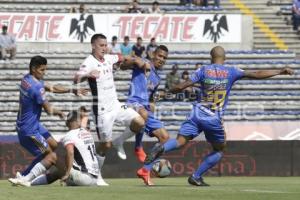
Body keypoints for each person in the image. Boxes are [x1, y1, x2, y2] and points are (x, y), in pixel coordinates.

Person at [142, 46, 294, 186]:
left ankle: (161, 149)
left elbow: (182, 86)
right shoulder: (231, 71)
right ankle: (196, 176)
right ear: (224, 58)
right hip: (213, 117)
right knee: (220, 149)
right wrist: (279, 71)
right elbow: (256, 74)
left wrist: (164, 93)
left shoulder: (203, 70)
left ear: (211, 57)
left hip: (195, 114)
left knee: (180, 141)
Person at [74, 33, 146, 186]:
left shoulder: (108, 58)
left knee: (140, 122)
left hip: (116, 104)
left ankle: (119, 141)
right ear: (93, 45)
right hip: (102, 110)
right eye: (101, 45)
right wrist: (88, 74)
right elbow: (76, 77)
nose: (104, 48)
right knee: (105, 145)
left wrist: (134, 59)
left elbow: (121, 57)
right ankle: (97, 176)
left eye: (106, 45)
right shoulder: (89, 62)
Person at [8, 56, 87, 185]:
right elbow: (49, 109)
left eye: (45, 69)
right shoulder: (36, 88)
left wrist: (72, 90)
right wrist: (61, 112)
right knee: (50, 155)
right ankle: (25, 176)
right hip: (29, 130)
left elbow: (53, 88)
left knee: (55, 146)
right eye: (42, 70)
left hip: (32, 124)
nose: (44, 73)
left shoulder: (26, 79)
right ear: (34, 69)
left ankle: (31, 174)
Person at [113, 45, 170, 185]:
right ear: (153, 54)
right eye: (159, 55)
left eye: (164, 58)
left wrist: (153, 105)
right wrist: (119, 61)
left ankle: (145, 170)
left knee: (165, 137)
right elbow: (132, 61)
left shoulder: (157, 78)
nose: (161, 59)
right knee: (143, 114)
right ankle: (138, 147)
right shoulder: (144, 63)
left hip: (145, 107)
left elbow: (150, 98)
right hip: (133, 103)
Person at [9, 108, 101, 187]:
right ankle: (30, 183)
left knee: (52, 156)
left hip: (83, 178)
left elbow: (70, 153)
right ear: (78, 121)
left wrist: (68, 173)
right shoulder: (87, 133)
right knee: (59, 172)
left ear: (68, 122)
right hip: (94, 179)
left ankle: (25, 179)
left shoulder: (70, 135)